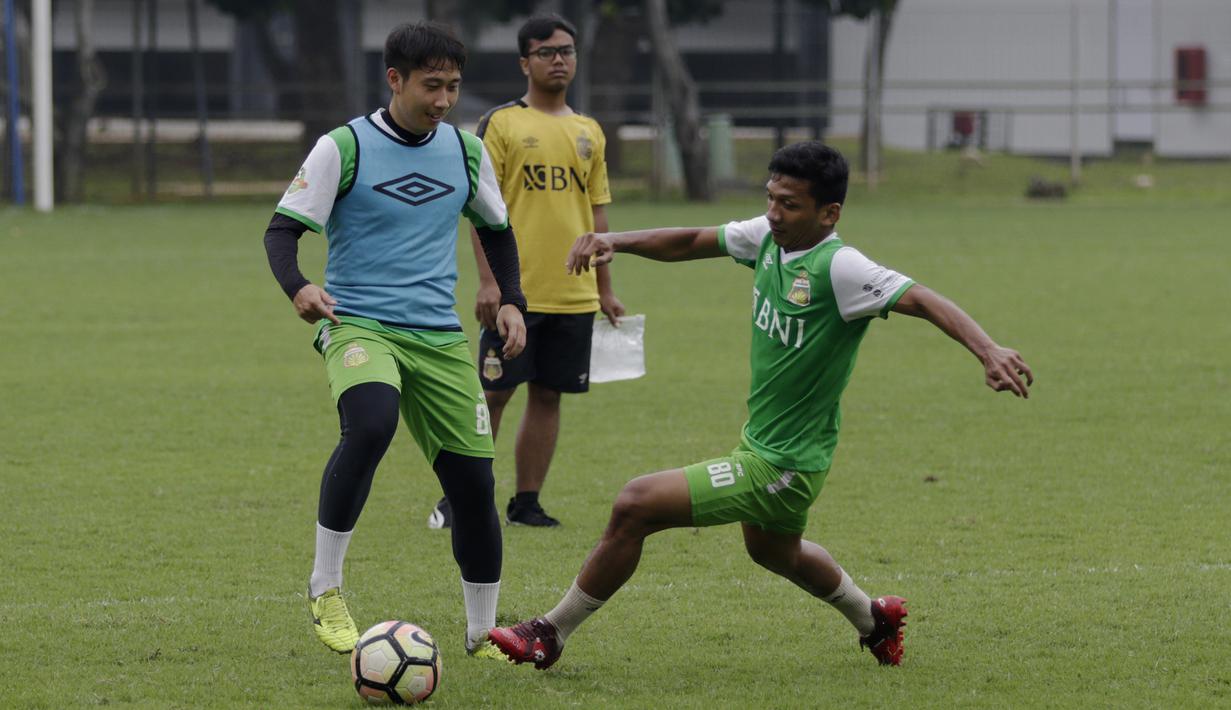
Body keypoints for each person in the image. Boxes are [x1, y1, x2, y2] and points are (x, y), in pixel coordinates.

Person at [488, 142, 1033, 669]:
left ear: (829, 212)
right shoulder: (769, 239)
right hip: (765, 444)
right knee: (775, 551)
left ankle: (550, 632)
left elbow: (921, 297)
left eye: (788, 204)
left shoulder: (841, 268)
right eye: (771, 197)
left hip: (785, 464)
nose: (772, 213)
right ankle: (874, 618)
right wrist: (617, 241)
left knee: (636, 503)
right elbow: (693, 239)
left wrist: (987, 349)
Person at [262, 21, 527, 659]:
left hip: (437, 337)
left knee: (473, 486)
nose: (443, 100)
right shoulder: (343, 147)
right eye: (431, 86)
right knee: (372, 423)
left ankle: (482, 632)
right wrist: (299, 287)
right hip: (358, 324)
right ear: (395, 79)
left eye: (453, 87)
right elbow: (281, 231)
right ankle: (326, 589)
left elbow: (496, 229)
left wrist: (512, 300)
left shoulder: (466, 151)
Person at [428, 14, 623, 530]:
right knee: (491, 394)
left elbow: (597, 211)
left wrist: (605, 289)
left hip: (573, 293)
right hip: (518, 291)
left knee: (549, 394)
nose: (559, 59)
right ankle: (459, 498)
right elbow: (480, 207)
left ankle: (527, 501)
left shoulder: (589, 131)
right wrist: (491, 282)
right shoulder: (503, 124)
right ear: (524, 62)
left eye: (566, 50)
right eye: (546, 52)